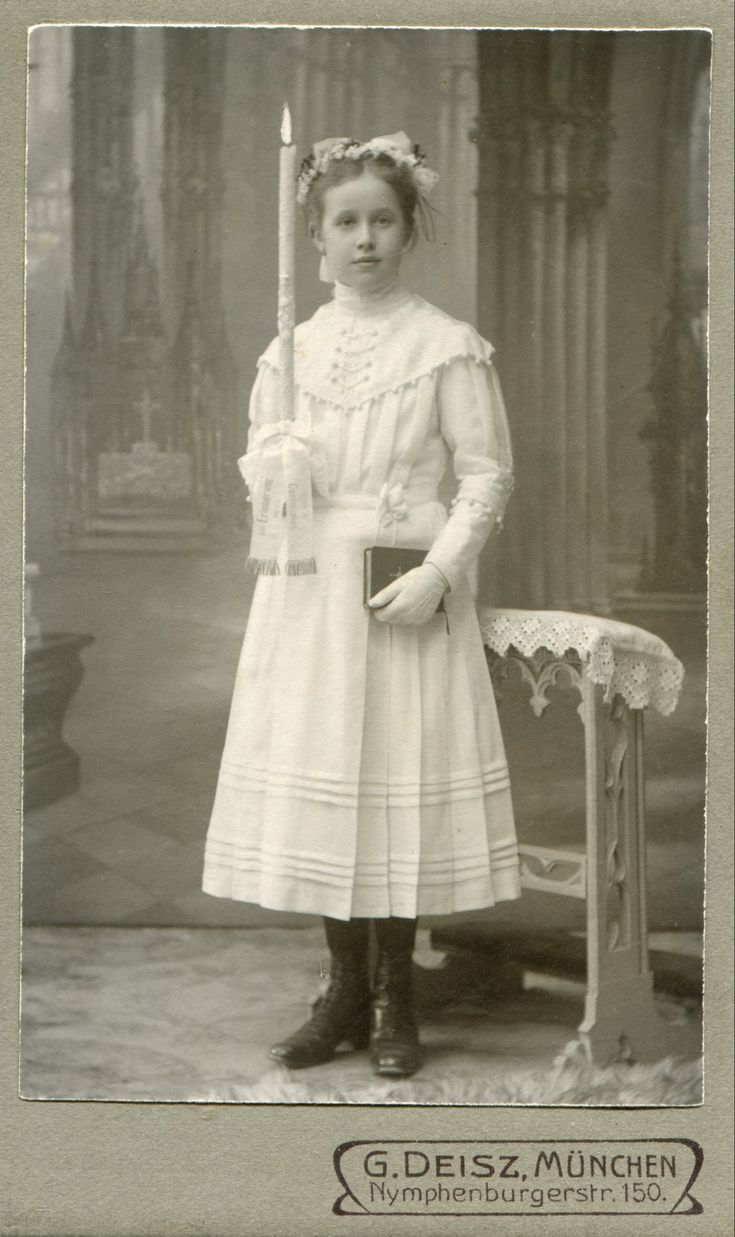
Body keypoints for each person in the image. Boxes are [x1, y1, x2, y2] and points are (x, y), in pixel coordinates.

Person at [202, 132, 521, 1078]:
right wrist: (278, 465)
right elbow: (261, 480)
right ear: (317, 240)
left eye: (384, 219)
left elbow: (486, 476)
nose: (366, 238)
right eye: (346, 222)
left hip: (403, 586)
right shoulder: (289, 351)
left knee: (389, 788)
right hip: (309, 596)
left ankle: (395, 993)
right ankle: (340, 988)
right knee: (329, 788)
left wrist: (439, 572)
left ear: (407, 229)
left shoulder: (446, 346)